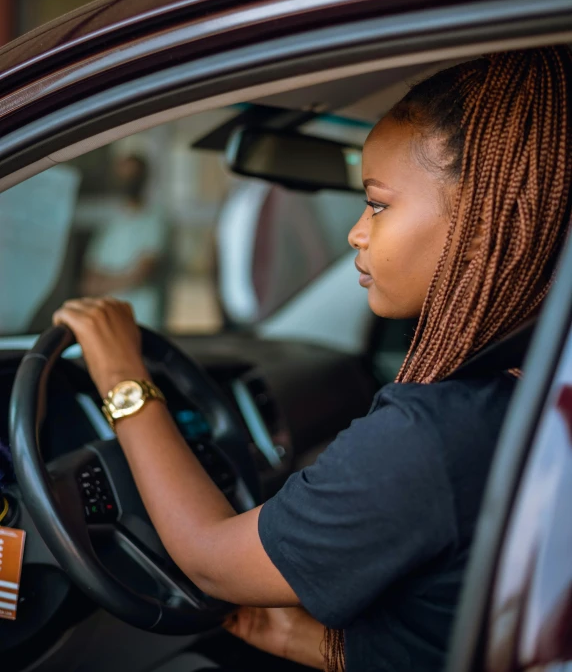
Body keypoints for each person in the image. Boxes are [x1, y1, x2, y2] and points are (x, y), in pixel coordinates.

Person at [53, 47, 572, 672]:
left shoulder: (432, 437)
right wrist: (325, 645)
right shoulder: (532, 397)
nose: (357, 231)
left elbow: (210, 562)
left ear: (490, 222)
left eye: (377, 204)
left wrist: (120, 375)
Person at [81, 154, 166, 328]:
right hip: (108, 321)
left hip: (142, 320)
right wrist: (125, 277)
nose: (128, 181)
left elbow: (141, 274)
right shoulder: (111, 221)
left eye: (133, 176)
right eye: (124, 176)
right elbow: (89, 282)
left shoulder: (155, 219)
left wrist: (105, 283)